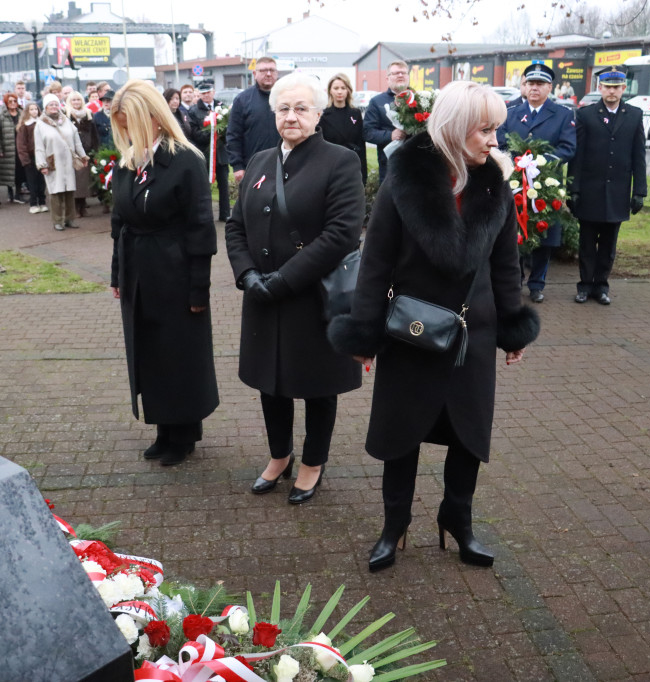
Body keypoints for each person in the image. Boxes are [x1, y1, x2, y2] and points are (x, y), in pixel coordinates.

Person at [328, 81, 540, 571]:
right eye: (485, 130)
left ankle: (457, 521)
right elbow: (375, 263)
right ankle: (394, 525)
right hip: (411, 333)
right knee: (400, 434)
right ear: (455, 127)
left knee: (468, 436)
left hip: (473, 334)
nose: (494, 141)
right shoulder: (405, 179)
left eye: (496, 130)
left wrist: (512, 327)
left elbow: (506, 264)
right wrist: (365, 331)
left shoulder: (494, 184)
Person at [225, 73, 365, 505]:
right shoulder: (261, 160)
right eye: (283, 108)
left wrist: (284, 280)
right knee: (270, 382)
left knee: (318, 385)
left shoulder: (340, 161)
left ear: (318, 113)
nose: (291, 116)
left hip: (312, 296)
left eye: (301, 108)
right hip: (263, 295)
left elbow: (342, 234)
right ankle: (279, 455)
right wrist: (247, 274)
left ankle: (312, 463)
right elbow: (235, 226)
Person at [109, 79, 219, 467]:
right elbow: (119, 222)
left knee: (177, 355)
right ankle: (162, 427)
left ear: (153, 118)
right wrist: (118, 275)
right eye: (121, 126)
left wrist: (198, 289)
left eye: (131, 124)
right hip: (139, 272)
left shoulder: (185, 160)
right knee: (150, 353)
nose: (126, 133)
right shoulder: (129, 162)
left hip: (174, 273)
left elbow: (201, 228)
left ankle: (183, 434)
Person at [497, 63, 576, 303]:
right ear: (524, 85)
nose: (534, 88)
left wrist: (540, 162)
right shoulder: (510, 112)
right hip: (516, 183)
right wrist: (516, 163)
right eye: (530, 83)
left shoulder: (562, 114)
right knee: (515, 232)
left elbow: (568, 147)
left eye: (540, 84)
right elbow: (500, 144)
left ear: (549, 88)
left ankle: (537, 284)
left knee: (544, 234)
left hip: (546, 185)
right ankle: (515, 279)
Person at [570, 67, 647, 306]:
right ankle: (584, 286)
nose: (612, 91)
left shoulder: (634, 115)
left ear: (623, 88)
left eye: (616, 87)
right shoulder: (586, 115)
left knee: (608, 244)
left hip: (617, 192)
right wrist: (573, 189)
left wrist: (640, 191)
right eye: (607, 87)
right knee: (587, 243)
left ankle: (601, 286)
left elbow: (639, 155)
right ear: (600, 88)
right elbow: (577, 156)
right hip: (590, 190)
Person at [35, 93, 88, 231]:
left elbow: (76, 141)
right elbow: (39, 147)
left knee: (70, 190)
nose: (54, 107)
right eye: (51, 104)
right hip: (53, 162)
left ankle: (70, 219)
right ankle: (57, 221)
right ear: (45, 107)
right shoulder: (40, 124)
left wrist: (83, 156)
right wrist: (42, 165)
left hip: (68, 161)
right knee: (55, 191)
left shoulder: (66, 121)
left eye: (56, 104)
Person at [226, 57, 281, 185]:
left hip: (283, 163)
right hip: (253, 165)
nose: (268, 74)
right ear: (255, 74)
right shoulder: (242, 100)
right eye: (263, 70)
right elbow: (233, 134)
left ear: (277, 73)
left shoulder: (287, 97)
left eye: (272, 70)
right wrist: (237, 166)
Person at [187, 81, 230, 221]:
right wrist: (212, 134)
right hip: (204, 154)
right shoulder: (194, 111)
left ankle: (225, 214)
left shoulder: (222, 107)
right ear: (199, 94)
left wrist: (221, 134)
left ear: (213, 92)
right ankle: (205, 215)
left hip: (221, 154)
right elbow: (193, 133)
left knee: (224, 186)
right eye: (203, 93)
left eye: (208, 92)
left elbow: (230, 128)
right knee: (204, 187)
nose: (206, 95)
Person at [363, 61, 410, 184]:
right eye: (396, 73)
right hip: (390, 165)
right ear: (387, 78)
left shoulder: (420, 99)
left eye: (403, 73)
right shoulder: (377, 102)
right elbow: (367, 132)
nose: (400, 75)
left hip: (417, 163)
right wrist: (390, 135)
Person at [319, 73, 368, 185]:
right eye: (336, 88)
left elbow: (361, 144)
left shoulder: (355, 113)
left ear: (348, 90)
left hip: (351, 166)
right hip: (331, 167)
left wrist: (363, 175)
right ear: (330, 91)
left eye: (343, 88)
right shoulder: (323, 115)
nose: (339, 92)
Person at [66, 90, 100, 217]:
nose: (76, 102)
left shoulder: (88, 114)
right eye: (73, 100)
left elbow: (94, 134)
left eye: (78, 99)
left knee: (85, 182)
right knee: (75, 181)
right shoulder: (65, 115)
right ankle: (76, 207)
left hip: (86, 151)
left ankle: (82, 205)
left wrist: (96, 150)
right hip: (72, 152)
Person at [16, 102, 48, 214]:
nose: (34, 111)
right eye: (31, 109)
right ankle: (33, 203)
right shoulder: (25, 126)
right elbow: (21, 144)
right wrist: (25, 160)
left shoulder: (42, 123)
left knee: (42, 181)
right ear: (27, 112)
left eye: (36, 109)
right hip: (30, 157)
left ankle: (42, 202)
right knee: (32, 182)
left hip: (42, 155)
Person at [0, 93, 26, 204]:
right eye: (10, 101)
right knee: (8, 172)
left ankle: (18, 193)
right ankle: (10, 193)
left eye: (14, 101)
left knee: (20, 171)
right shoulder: (1, 115)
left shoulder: (22, 114)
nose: (13, 103)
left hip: (20, 148)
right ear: (6, 103)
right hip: (7, 148)